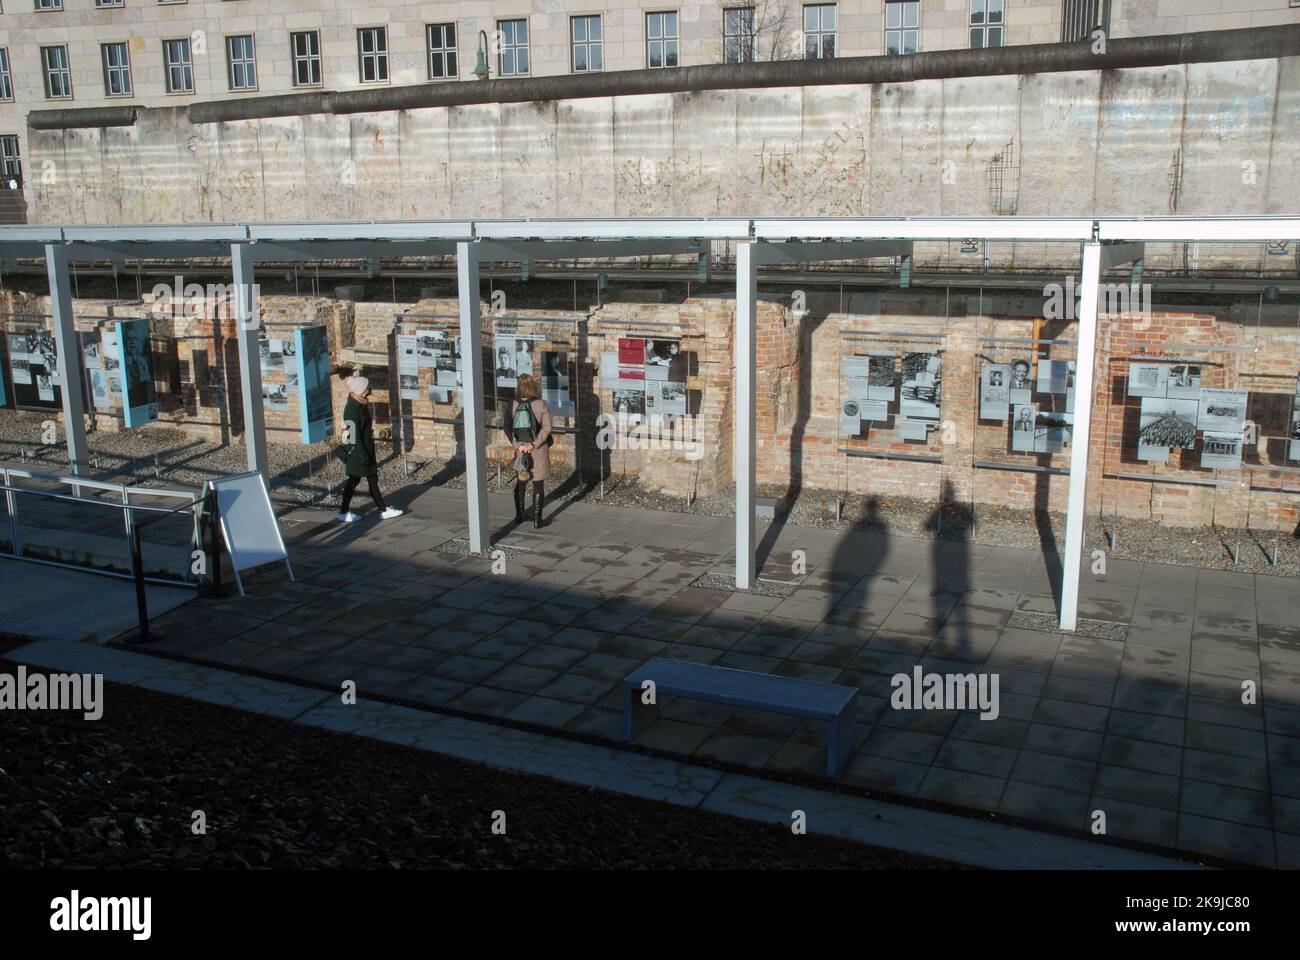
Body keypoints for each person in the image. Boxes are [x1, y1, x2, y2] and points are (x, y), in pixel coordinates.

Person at [337, 374, 403, 523]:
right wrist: (362, 454)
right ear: (361, 390)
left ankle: (383, 509)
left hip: (365, 449)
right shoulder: (352, 410)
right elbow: (353, 436)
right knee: (354, 480)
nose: (370, 389)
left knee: (370, 479)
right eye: (367, 387)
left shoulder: (360, 404)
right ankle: (344, 512)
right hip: (358, 452)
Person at [507, 373, 552, 529]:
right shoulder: (541, 404)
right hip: (537, 450)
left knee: (521, 482)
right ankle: (537, 520)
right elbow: (547, 428)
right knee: (538, 485)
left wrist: (517, 445)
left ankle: (519, 515)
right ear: (533, 386)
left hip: (520, 450)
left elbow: (507, 428)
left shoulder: (512, 404)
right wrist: (534, 444)